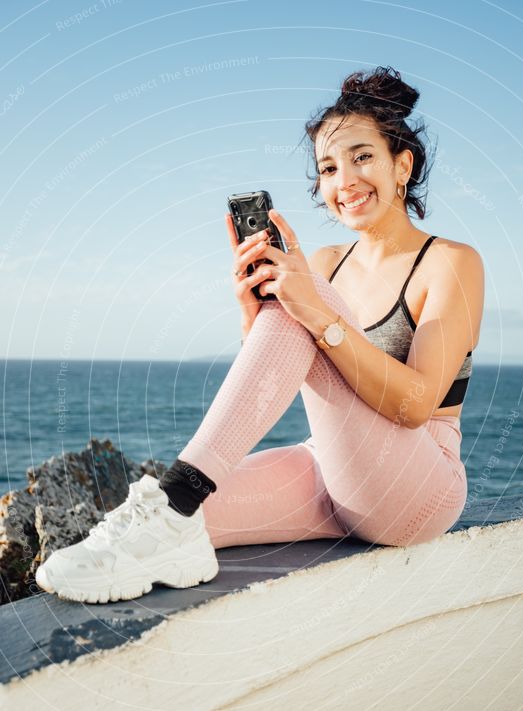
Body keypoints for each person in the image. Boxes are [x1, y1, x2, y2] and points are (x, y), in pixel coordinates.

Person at [36, 66, 484, 604]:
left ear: (402, 164)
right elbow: (278, 374)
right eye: (328, 167)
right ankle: (165, 519)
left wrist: (315, 310)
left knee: (304, 294)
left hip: (419, 485)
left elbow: (416, 406)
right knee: (186, 519)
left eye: (362, 157)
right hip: (335, 471)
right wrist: (254, 313)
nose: (345, 181)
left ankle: (177, 494)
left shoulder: (450, 263)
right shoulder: (322, 263)